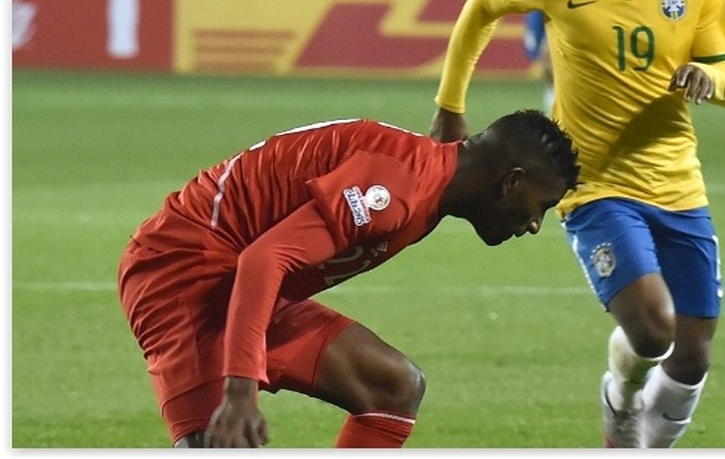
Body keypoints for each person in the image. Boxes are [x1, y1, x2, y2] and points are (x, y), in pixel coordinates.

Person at [431, 0, 725, 449]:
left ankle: (646, 443)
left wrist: (711, 80)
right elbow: (480, 8)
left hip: (679, 184)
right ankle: (620, 403)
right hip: (595, 186)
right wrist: (450, 108)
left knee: (692, 357)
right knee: (655, 331)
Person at [117, 110, 579, 448]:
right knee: (222, 441)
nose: (535, 224)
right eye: (540, 207)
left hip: (239, 278)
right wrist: (240, 390)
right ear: (511, 182)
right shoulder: (399, 191)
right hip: (181, 273)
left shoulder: (426, 180)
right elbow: (264, 259)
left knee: (393, 386)